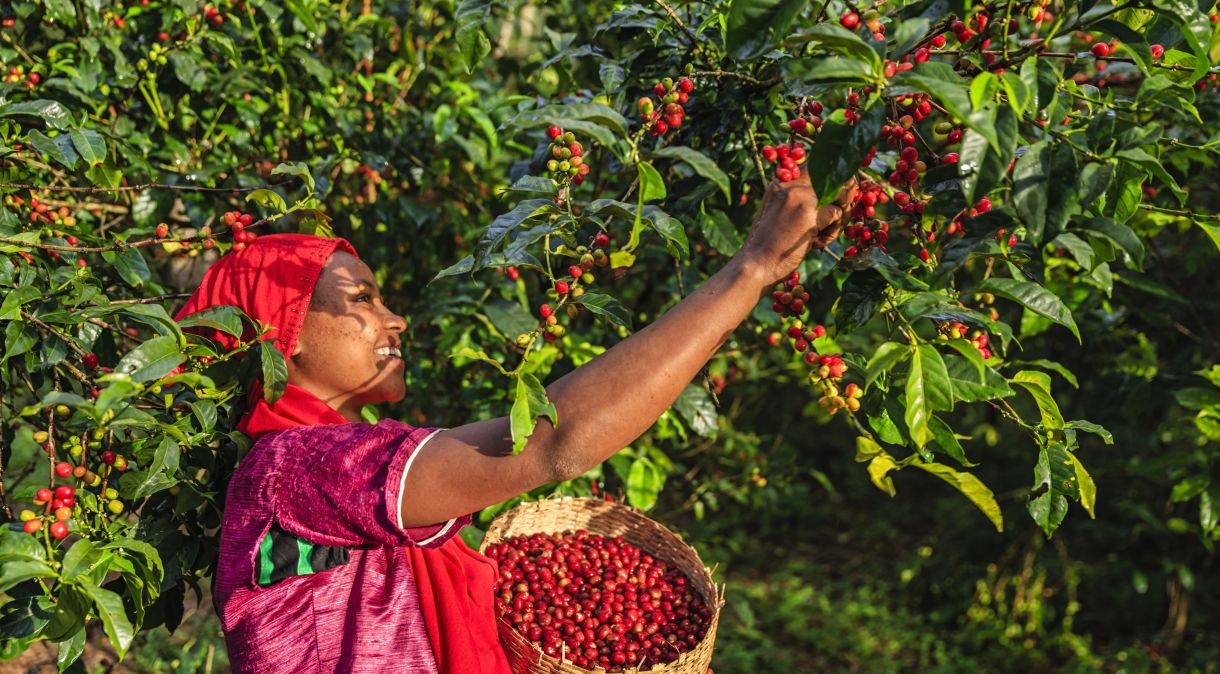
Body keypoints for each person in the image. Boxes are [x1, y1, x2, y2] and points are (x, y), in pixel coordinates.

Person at [174, 175, 856, 673]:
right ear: (280, 334)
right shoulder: (296, 466)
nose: (394, 320)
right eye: (363, 299)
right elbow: (553, 444)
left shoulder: (328, 466)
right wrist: (748, 271)